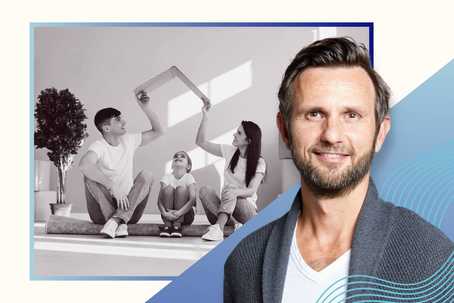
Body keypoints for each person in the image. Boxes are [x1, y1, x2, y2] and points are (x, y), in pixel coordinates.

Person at [224, 37, 454, 303]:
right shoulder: (244, 262)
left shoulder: (434, 260)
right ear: (285, 130)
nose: (332, 135)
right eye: (314, 114)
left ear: (380, 133)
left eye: (352, 115)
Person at [79, 91, 163, 238]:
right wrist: (113, 187)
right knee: (89, 177)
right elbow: (85, 165)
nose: (124, 122)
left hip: (129, 209)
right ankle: (118, 221)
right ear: (106, 128)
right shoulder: (99, 146)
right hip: (100, 212)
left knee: (147, 175)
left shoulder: (128, 140)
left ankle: (116, 220)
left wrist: (146, 107)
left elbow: (158, 131)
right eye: (118, 119)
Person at [196, 105, 266, 241]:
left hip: (246, 211)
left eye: (239, 133)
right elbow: (201, 142)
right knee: (205, 190)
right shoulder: (230, 151)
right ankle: (231, 224)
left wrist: (233, 192)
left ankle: (218, 228)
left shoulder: (259, 162)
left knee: (232, 191)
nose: (234, 134)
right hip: (226, 207)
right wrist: (205, 117)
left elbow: (251, 191)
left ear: (249, 140)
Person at [157, 151, 196, 238]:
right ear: (172, 165)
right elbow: (160, 200)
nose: (178, 157)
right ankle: (167, 226)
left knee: (181, 189)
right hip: (167, 216)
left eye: (182, 156)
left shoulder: (189, 177)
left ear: (188, 166)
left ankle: (177, 225)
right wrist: (165, 214)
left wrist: (178, 214)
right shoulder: (166, 177)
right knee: (168, 189)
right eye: (176, 156)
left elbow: (192, 199)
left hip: (185, 214)